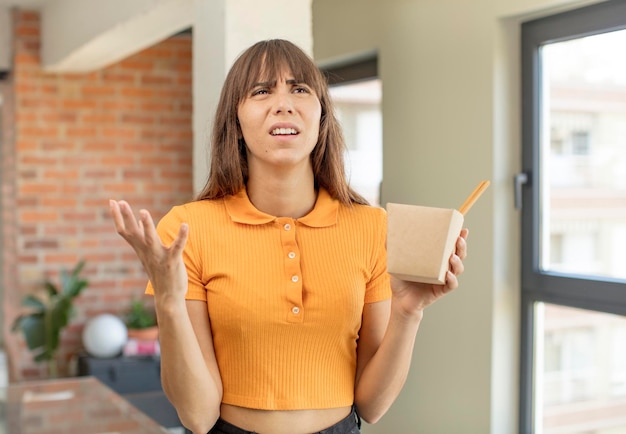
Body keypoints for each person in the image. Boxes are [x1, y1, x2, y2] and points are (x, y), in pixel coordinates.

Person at [109, 39, 468, 434]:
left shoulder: (371, 227)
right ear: (236, 121)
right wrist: (169, 301)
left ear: (322, 117)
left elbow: (372, 405)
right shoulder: (187, 230)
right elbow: (198, 415)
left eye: (299, 89)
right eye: (262, 91)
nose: (283, 103)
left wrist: (408, 312)